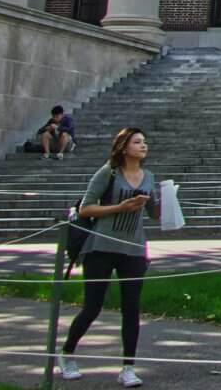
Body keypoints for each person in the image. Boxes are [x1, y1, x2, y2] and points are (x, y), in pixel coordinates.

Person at [59, 127, 160, 386]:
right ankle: (67, 353)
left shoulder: (149, 176)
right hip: (101, 246)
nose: (143, 145)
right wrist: (120, 207)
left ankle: (128, 367)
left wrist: (167, 202)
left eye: (144, 142)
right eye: (137, 142)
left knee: (131, 309)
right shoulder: (109, 173)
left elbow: (154, 213)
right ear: (123, 147)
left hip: (134, 248)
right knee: (92, 307)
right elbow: (85, 208)